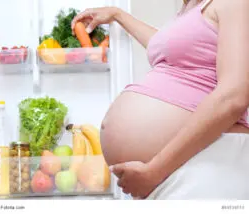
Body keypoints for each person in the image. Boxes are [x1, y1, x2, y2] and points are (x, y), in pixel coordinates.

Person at [72, 0, 249, 200]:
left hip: (205, 162)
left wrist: (155, 171)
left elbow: (234, 96)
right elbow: (166, 44)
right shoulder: (189, 11)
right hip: (178, 169)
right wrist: (118, 15)